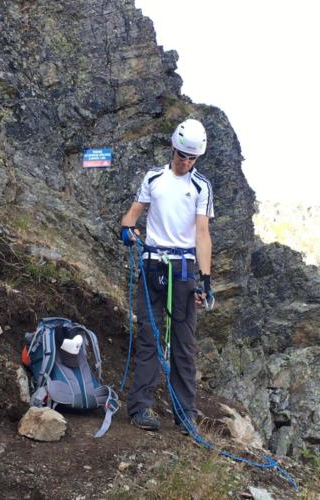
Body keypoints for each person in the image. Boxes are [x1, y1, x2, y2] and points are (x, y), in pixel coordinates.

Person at [120, 118, 214, 432]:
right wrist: (126, 228)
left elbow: (202, 233)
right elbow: (133, 212)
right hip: (153, 265)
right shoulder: (153, 178)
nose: (186, 162)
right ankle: (139, 409)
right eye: (182, 156)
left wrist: (206, 278)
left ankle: (184, 414)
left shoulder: (201, 186)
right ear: (172, 148)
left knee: (184, 346)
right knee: (150, 338)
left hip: (185, 269)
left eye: (192, 158)